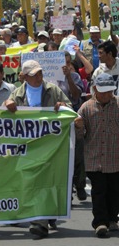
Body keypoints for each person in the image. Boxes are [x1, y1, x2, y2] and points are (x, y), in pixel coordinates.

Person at [5, 60, 72, 238]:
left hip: (50, 144)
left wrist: (63, 107)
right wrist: (7, 106)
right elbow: (4, 119)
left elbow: (70, 107)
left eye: (40, 73)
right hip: (27, 146)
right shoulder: (16, 94)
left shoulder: (53, 90)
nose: (39, 77)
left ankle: (40, 220)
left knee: (44, 181)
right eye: (34, 75)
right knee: (32, 182)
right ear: (25, 77)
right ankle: (40, 218)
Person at [75, 73, 119, 238]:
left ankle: (112, 218)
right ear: (94, 89)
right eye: (103, 91)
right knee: (99, 191)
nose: (107, 95)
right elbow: (80, 136)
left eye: (109, 91)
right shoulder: (86, 108)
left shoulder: (118, 105)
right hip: (94, 159)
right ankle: (100, 222)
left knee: (114, 192)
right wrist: (79, 126)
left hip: (115, 159)